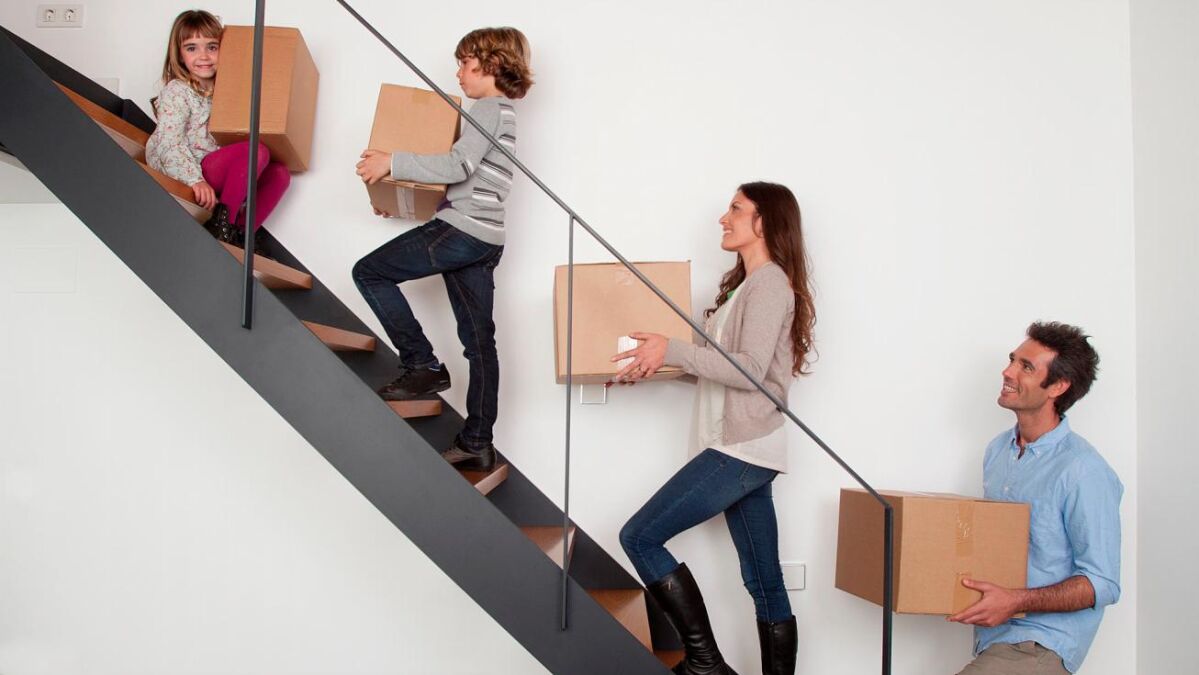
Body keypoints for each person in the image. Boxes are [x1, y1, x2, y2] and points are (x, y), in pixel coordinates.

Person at [614, 182, 815, 675]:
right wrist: (658, 365)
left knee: (639, 537)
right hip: (746, 449)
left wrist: (674, 349)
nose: (723, 219)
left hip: (742, 449)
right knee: (765, 581)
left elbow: (750, 369)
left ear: (764, 221)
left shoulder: (769, 284)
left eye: (735, 209)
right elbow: (723, 369)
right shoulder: (747, 286)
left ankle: (706, 664)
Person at [353, 27, 533, 471]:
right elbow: (471, 184)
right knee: (480, 344)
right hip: (486, 237)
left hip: (465, 232)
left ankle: (423, 365)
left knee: (369, 273)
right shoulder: (504, 113)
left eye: (465, 64)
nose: (458, 73)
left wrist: (391, 162)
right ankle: (477, 441)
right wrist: (396, 200)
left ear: (491, 64)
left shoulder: (487, 108)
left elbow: (458, 166)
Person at [949, 321, 1122, 674]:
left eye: (1025, 366)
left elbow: (1102, 583)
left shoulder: (1083, 470)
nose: (1007, 371)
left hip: (1042, 643)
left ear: (1058, 386)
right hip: (995, 638)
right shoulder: (998, 451)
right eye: (1012, 360)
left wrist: (1016, 601)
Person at [145, 9, 291, 248]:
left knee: (280, 173)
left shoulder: (226, 91)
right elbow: (169, 143)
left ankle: (240, 234)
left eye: (212, 47)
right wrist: (194, 180)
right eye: (192, 48)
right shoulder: (177, 90)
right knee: (257, 151)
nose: (203, 56)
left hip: (216, 167)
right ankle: (222, 226)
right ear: (179, 54)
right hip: (187, 167)